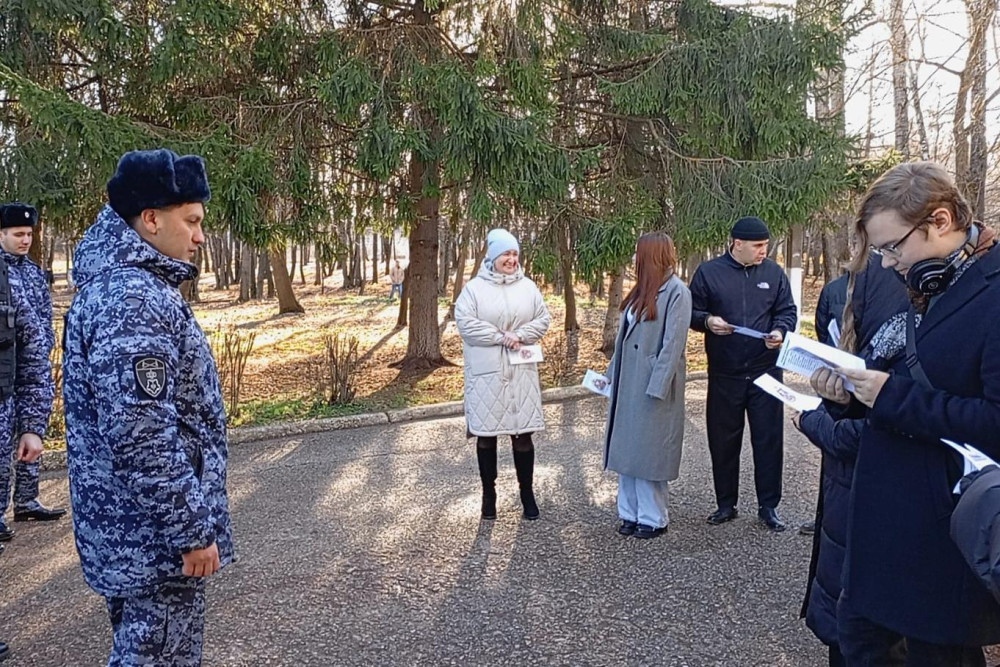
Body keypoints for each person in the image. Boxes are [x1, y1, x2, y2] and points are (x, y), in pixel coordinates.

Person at [813, 161, 1000, 665]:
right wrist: (847, 396)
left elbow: (994, 422)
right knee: (856, 643)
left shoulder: (992, 292)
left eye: (893, 247)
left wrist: (890, 396)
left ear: (940, 220)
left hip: (943, 533)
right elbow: (893, 375)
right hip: (880, 526)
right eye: (880, 251)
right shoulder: (926, 278)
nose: (888, 263)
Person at [63, 149, 234, 666]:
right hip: (153, 541)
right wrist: (192, 530)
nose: (200, 236)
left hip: (135, 531)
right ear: (152, 219)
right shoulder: (133, 298)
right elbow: (142, 434)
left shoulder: (127, 284)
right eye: (192, 221)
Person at [794, 256, 909, 666]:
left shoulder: (909, 340)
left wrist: (815, 423)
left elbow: (875, 436)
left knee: (871, 636)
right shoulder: (855, 306)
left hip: (878, 505)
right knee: (846, 628)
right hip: (846, 500)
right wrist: (837, 402)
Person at [689, 216, 798, 531]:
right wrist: (708, 322)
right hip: (725, 373)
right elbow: (692, 312)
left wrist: (780, 330)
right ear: (737, 244)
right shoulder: (709, 272)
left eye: (766, 245)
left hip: (766, 371)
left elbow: (787, 311)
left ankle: (769, 506)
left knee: (768, 440)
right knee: (723, 440)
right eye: (758, 245)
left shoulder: (773, 273)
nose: (764, 251)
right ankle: (726, 503)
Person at [455, 228, 550, 521]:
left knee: (523, 436)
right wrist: (501, 337)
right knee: (486, 437)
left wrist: (519, 334)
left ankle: (527, 494)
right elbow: (466, 324)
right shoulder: (474, 289)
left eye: (514, 254)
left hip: (521, 373)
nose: (511, 259)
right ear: (493, 256)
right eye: (506, 254)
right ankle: (489, 495)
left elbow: (543, 319)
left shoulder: (528, 287)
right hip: (487, 375)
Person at [602, 232, 691, 539]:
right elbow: (624, 341)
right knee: (628, 452)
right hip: (629, 381)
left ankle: (653, 517)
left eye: (638, 253)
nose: (634, 259)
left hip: (652, 383)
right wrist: (610, 374)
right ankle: (628, 512)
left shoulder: (677, 291)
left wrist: (658, 385)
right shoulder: (642, 289)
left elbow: (673, 344)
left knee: (649, 454)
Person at [0, 203, 66, 523]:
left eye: (28, 234)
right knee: (3, 440)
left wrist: (45, 345)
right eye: (18, 234)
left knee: (32, 425)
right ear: (1, 234)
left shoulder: (33, 271)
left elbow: (42, 315)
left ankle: (27, 499)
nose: (25, 240)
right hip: (6, 365)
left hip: (33, 363)